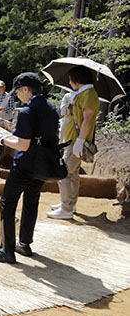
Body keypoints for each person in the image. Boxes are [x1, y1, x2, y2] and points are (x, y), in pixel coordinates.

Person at [0, 72, 58, 263]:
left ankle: (6, 250)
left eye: (17, 91)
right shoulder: (51, 109)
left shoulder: (27, 112)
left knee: (7, 203)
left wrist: (1, 138)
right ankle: (24, 244)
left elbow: (23, 144)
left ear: (26, 89)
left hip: (24, 165)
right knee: (31, 203)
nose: (16, 95)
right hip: (42, 165)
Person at [47, 66, 99, 220]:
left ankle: (66, 208)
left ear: (78, 80)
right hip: (72, 139)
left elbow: (88, 119)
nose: (69, 82)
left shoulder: (88, 94)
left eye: (70, 79)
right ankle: (70, 203)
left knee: (63, 172)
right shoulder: (80, 94)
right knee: (73, 174)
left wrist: (80, 141)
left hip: (76, 140)